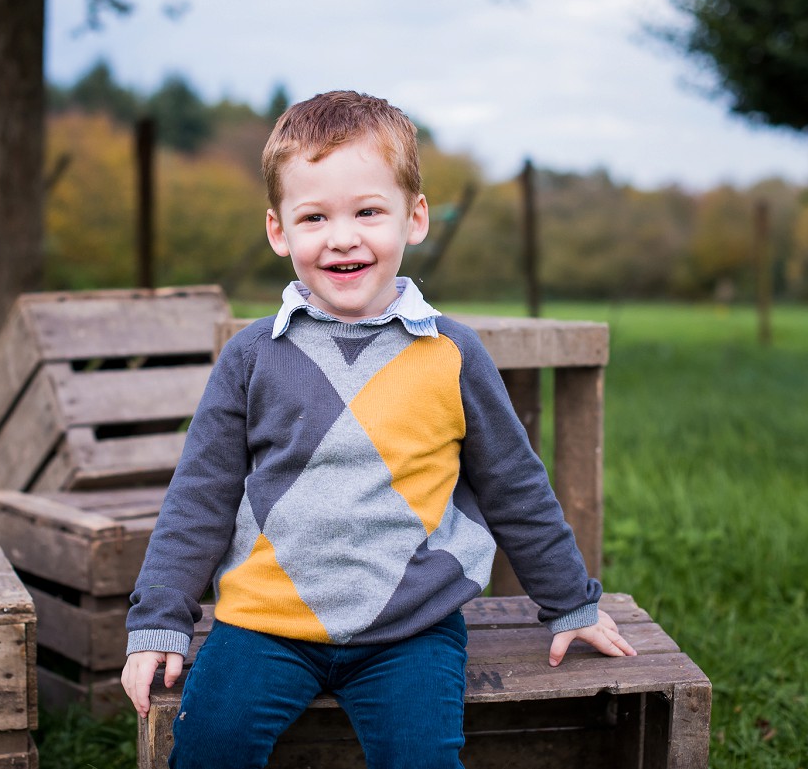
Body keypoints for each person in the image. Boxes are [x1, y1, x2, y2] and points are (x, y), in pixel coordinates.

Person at [120, 90, 636, 768]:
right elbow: (199, 494)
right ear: (278, 230)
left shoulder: (453, 354)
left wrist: (572, 602)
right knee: (211, 746)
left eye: (368, 211)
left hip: (411, 629)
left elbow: (515, 485)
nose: (342, 236)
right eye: (314, 216)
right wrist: (158, 619)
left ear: (413, 217)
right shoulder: (252, 355)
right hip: (265, 624)